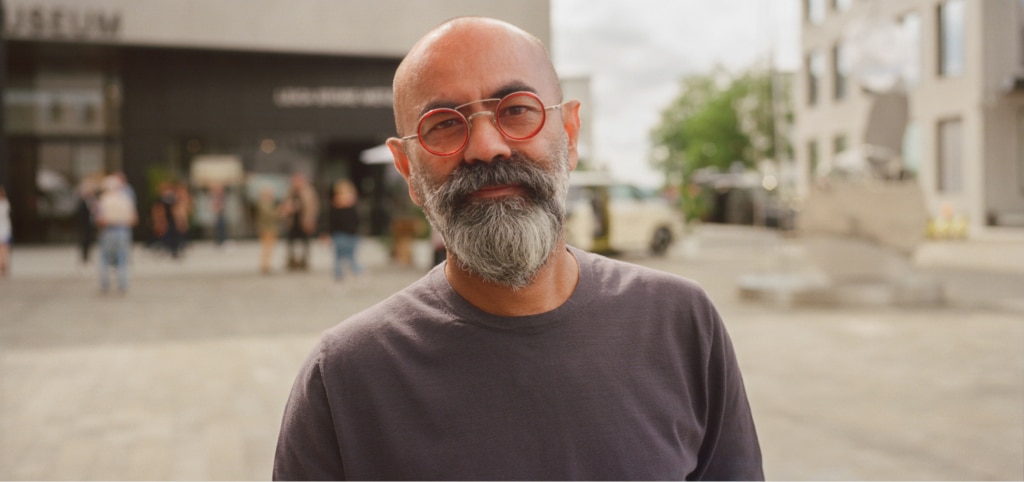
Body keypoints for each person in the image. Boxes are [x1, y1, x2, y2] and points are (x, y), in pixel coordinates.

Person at [273, 17, 762, 481]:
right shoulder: (344, 379)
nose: (486, 146)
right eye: (443, 124)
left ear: (569, 135)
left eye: (516, 110)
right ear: (407, 171)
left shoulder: (680, 323)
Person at [96, 174, 137, 293]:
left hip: (109, 230)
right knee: (122, 259)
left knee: (104, 259)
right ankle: (122, 284)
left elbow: (100, 219)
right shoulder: (126, 198)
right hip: (124, 230)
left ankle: (105, 284)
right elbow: (134, 219)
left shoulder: (104, 199)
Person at [327, 179, 362, 281]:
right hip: (344, 234)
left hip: (344, 234)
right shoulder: (342, 206)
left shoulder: (347, 205)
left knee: (344, 258)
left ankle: (342, 277)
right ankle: (354, 274)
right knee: (347, 258)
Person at [255, 186, 281, 274]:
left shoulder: (268, 203)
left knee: (269, 248)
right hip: (267, 228)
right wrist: (280, 211)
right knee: (267, 248)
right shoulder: (264, 204)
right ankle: (265, 265)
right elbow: (270, 215)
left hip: (270, 228)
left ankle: (267, 264)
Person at [0, 185, 11, 277]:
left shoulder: (4, 204)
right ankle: (3, 266)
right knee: (4, 249)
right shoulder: (5, 204)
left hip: (3, 230)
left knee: (3, 249)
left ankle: (3, 266)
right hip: (4, 230)